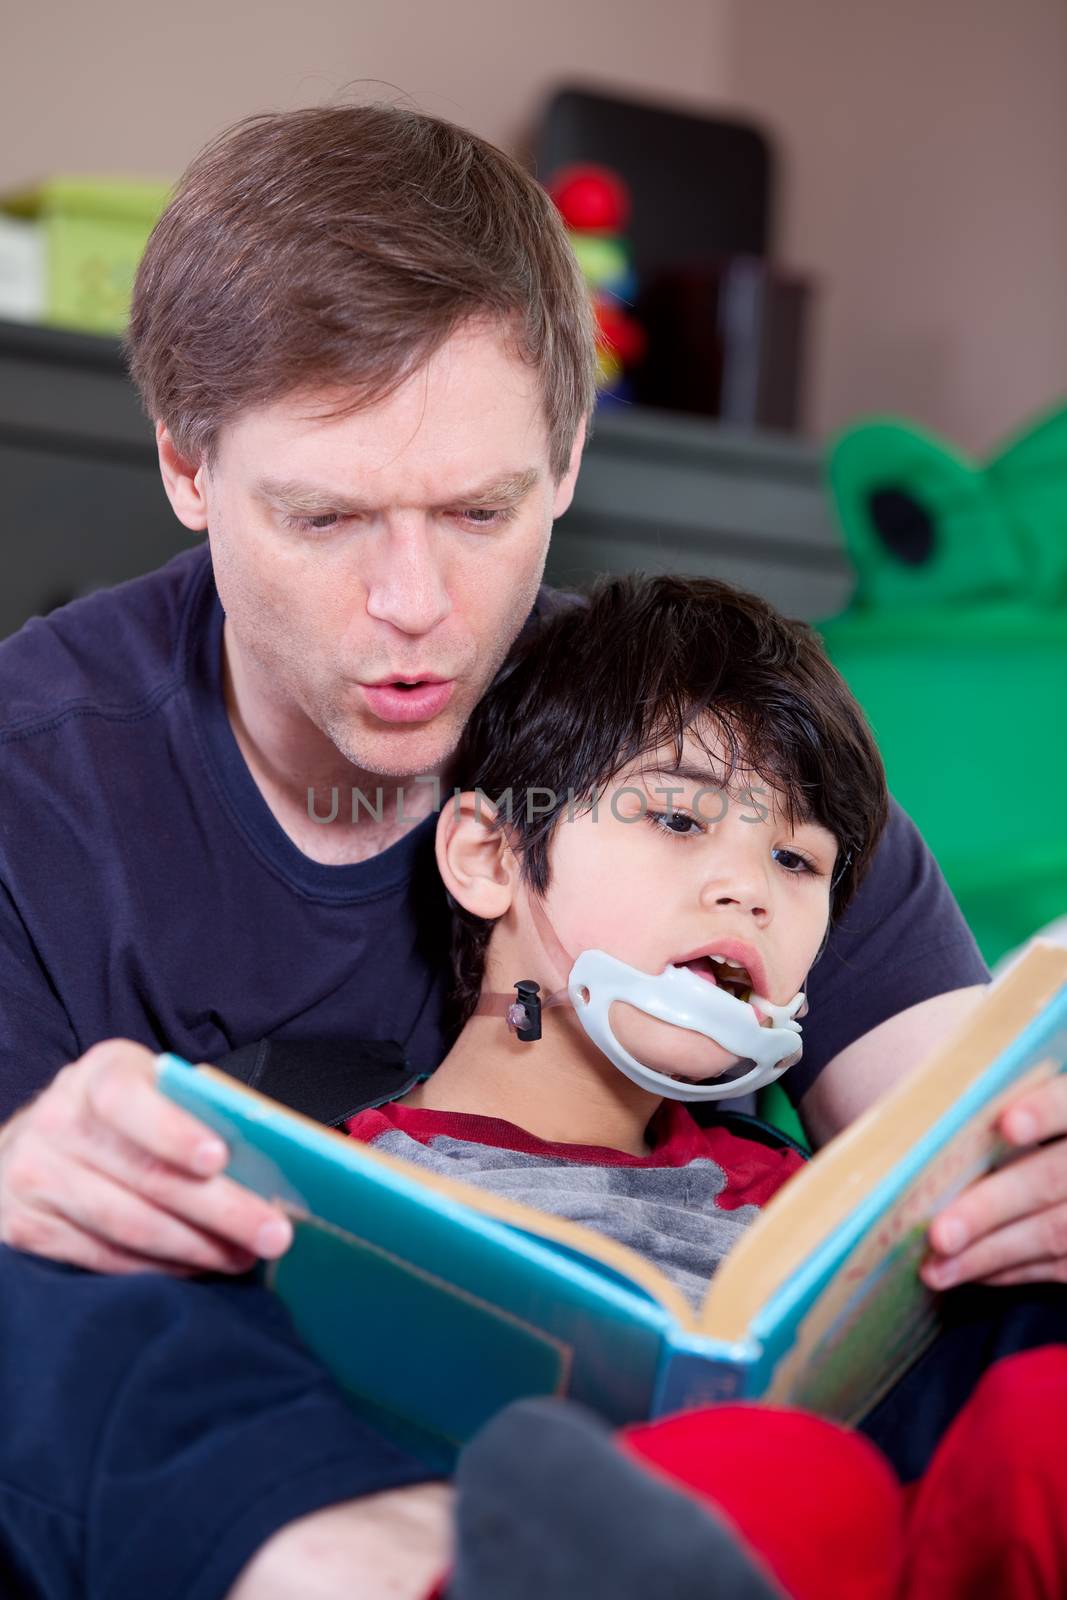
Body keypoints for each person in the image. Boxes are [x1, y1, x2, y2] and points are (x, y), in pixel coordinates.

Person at [4, 575, 1065, 1600]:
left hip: (870, 1521)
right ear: (486, 855)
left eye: (797, 862)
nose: (746, 886)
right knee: (773, 1483)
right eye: (678, 820)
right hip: (484, 1515)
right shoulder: (323, 1190)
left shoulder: (819, 1215)